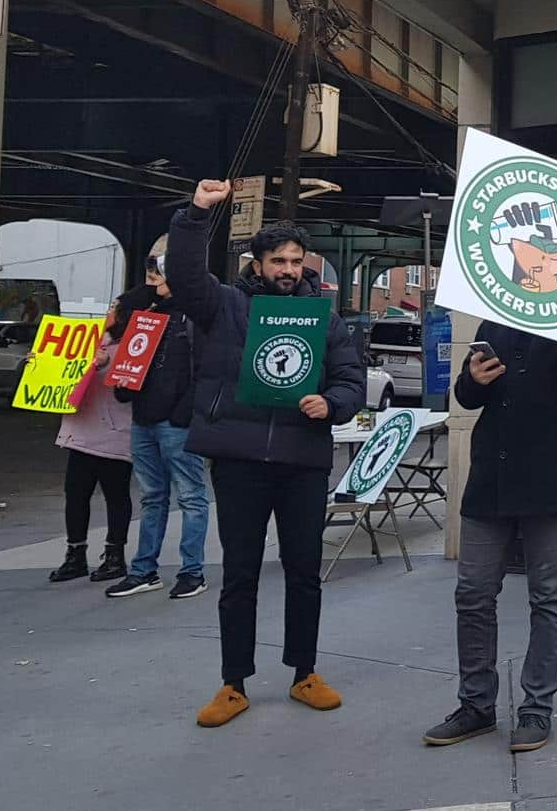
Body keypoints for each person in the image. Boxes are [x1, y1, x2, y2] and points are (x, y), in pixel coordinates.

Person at [424, 234, 557, 754]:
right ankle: (476, 704)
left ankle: (536, 707)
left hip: (551, 481)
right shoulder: (495, 319)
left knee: (548, 598)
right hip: (490, 482)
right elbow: (468, 394)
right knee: (472, 594)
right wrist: (472, 380)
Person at [170, 179, 366, 729]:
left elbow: (351, 380)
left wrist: (330, 404)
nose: (288, 269)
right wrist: (195, 214)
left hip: (302, 462)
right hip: (238, 460)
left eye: (296, 261)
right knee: (240, 573)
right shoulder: (225, 308)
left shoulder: (324, 320)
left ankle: (305, 671)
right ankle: (233, 683)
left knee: (304, 571)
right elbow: (185, 277)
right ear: (257, 265)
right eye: (277, 260)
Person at [105, 236, 208, 601]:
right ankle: (144, 569)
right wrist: (125, 387)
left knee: (191, 497)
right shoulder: (148, 312)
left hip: (173, 422)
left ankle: (192, 571)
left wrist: (184, 413)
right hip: (145, 418)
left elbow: (206, 371)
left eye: (158, 273)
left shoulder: (196, 317)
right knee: (154, 496)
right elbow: (124, 332)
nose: (152, 280)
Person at [48, 304, 134, 585]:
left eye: (115, 307)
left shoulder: (132, 346)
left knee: (116, 496)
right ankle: (75, 554)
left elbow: (128, 389)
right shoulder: (86, 340)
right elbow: (61, 372)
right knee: (75, 494)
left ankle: (114, 556)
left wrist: (103, 364)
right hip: (82, 431)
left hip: (114, 433)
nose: (109, 311)